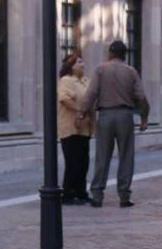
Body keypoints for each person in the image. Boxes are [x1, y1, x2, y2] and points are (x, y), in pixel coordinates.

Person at [81, 40, 149, 208]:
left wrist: (82, 112)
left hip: (105, 115)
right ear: (124, 55)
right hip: (125, 115)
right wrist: (144, 118)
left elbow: (92, 93)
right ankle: (124, 195)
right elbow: (141, 97)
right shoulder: (131, 72)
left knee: (102, 156)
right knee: (126, 155)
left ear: (110, 53)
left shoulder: (101, 69)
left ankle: (97, 195)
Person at [57, 54, 92, 205]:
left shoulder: (85, 81)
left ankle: (81, 192)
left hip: (84, 127)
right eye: (79, 62)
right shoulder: (66, 80)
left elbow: (92, 97)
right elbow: (64, 99)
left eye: (83, 61)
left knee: (83, 162)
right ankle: (68, 194)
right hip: (70, 127)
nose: (83, 64)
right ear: (71, 66)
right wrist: (79, 111)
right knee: (72, 162)